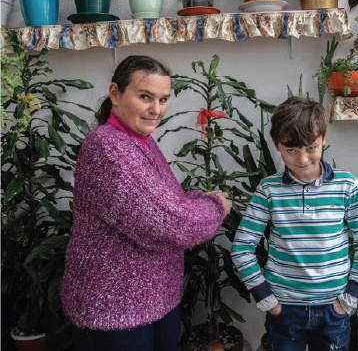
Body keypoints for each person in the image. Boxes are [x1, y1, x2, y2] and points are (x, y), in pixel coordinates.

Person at [61, 55, 232, 351]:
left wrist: (200, 199)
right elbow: (172, 223)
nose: (156, 109)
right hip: (114, 311)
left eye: (163, 99)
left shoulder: (140, 141)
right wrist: (216, 206)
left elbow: (167, 203)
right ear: (115, 93)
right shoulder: (107, 147)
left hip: (153, 302)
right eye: (145, 97)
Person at [231, 96, 358, 351]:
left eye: (311, 147)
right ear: (277, 145)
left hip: (334, 308)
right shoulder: (268, 190)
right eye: (291, 150)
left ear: (324, 138)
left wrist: (350, 297)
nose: (302, 159)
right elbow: (242, 247)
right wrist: (266, 298)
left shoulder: (347, 185)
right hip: (284, 310)